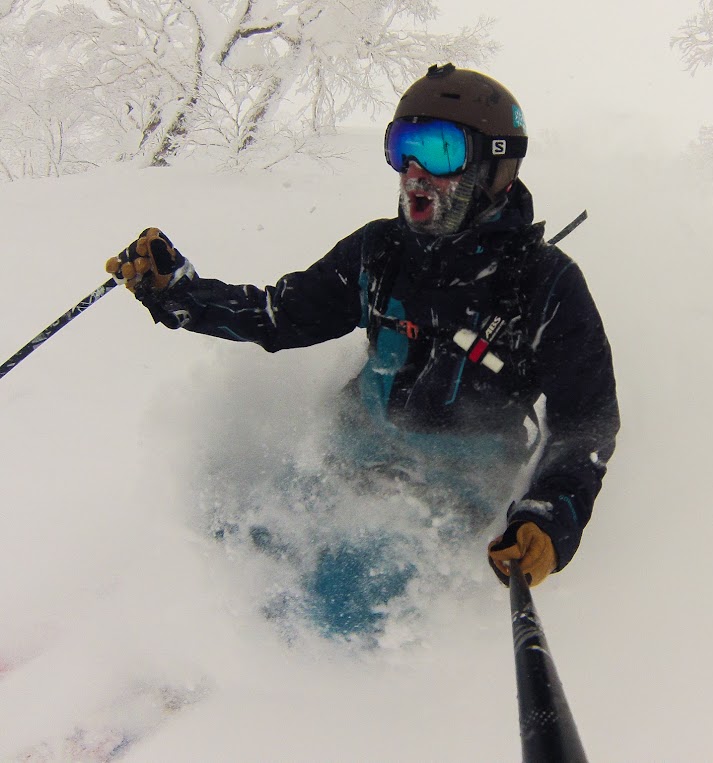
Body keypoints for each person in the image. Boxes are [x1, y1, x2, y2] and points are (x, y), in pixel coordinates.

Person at [107, 63, 620, 634]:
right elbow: (283, 316)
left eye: (440, 150)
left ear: (496, 167)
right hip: (348, 449)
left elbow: (587, 424)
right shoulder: (380, 252)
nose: (415, 172)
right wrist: (180, 293)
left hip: (451, 492)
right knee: (230, 546)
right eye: (402, 147)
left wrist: (550, 516)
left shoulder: (546, 286)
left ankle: (273, 703)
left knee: (336, 610)